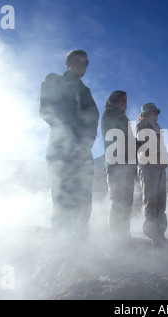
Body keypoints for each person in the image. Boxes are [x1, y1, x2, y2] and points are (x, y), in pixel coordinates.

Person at [39, 49, 99, 242]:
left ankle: (81, 244)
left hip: (82, 152)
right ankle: (62, 245)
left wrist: (86, 143)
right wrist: (70, 134)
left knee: (84, 200)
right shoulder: (53, 81)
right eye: (78, 61)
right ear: (68, 64)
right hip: (60, 149)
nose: (82, 65)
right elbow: (47, 110)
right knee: (62, 199)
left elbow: (94, 120)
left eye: (85, 63)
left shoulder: (86, 92)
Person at [100, 91, 137, 246]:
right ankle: (117, 240)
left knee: (127, 203)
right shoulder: (109, 116)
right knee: (117, 202)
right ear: (113, 100)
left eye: (126, 100)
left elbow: (130, 141)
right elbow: (115, 140)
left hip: (128, 165)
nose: (124, 102)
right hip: (116, 165)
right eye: (121, 99)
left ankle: (125, 237)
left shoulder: (124, 119)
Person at [136, 103, 168, 247]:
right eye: (154, 111)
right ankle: (153, 236)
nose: (156, 114)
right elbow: (142, 147)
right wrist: (157, 161)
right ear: (148, 112)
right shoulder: (143, 123)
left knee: (161, 201)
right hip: (149, 166)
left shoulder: (157, 126)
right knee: (151, 201)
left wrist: (164, 161)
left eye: (156, 111)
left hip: (159, 167)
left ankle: (160, 234)